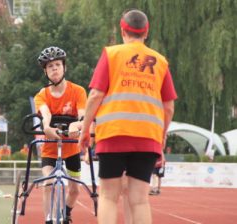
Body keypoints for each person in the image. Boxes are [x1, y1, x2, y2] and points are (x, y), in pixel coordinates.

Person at [79, 9, 177, 224]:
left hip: (113, 134)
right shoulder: (160, 62)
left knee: (108, 197)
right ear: (146, 32)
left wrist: (86, 131)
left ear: (122, 30)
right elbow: (168, 106)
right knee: (140, 200)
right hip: (147, 138)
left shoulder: (111, 54)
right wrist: (160, 136)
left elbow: (95, 95)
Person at [34, 46, 87, 224]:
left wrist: (76, 124)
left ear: (64, 67)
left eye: (57, 64)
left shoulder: (78, 91)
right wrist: (47, 126)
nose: (54, 68)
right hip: (50, 147)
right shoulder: (42, 95)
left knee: (74, 190)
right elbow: (45, 114)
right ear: (45, 71)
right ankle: (48, 219)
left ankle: (67, 212)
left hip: (71, 147)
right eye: (50, 66)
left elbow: (82, 116)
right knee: (47, 183)